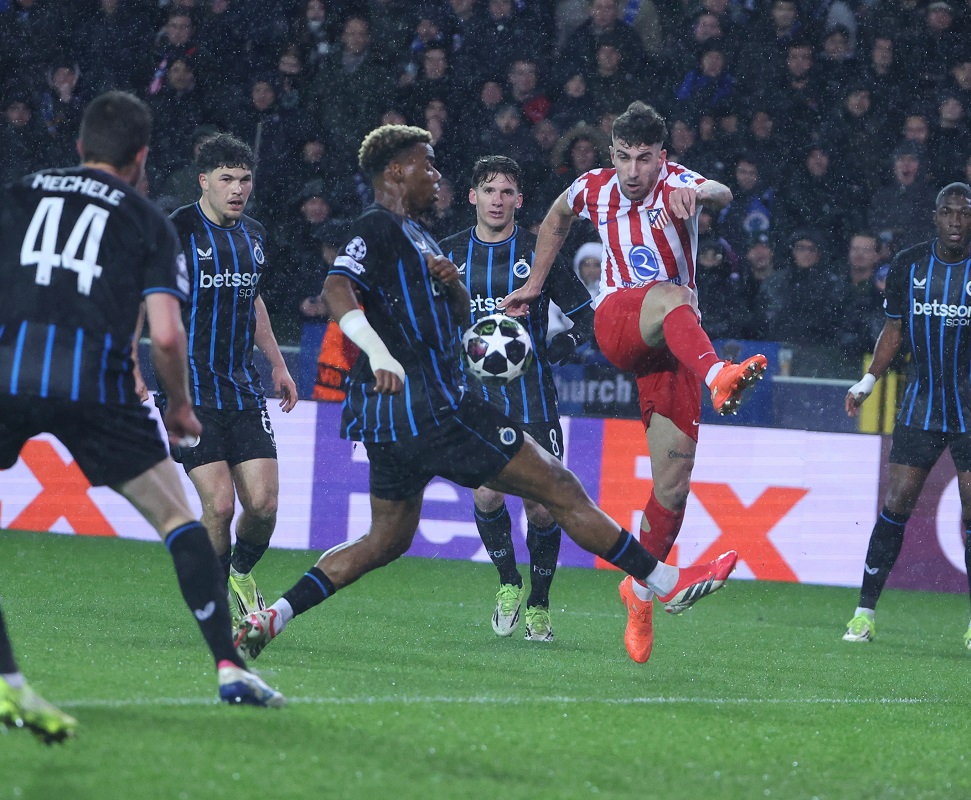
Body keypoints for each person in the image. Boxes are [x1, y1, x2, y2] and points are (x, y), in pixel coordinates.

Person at [233, 124, 737, 662]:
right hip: (431, 402)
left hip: (388, 418)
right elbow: (338, 287)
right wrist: (377, 352)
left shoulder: (420, 239)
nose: (436, 176)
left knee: (386, 541)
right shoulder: (378, 226)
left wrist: (451, 289)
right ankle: (664, 581)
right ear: (396, 171)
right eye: (426, 165)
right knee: (559, 488)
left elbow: (446, 320)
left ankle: (275, 615)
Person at [0, 92, 283, 744]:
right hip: (92, 384)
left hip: (11, 372)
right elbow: (165, 333)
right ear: (141, 158)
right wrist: (178, 404)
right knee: (179, 519)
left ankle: (11, 680)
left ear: (79, 148)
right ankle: (228, 667)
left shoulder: (18, 193)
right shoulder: (149, 220)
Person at [500, 101, 766, 665]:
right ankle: (720, 374)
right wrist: (535, 286)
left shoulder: (677, 182)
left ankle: (640, 590)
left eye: (644, 159)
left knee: (673, 483)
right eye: (623, 157)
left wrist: (698, 195)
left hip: (672, 346)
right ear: (611, 153)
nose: (633, 171)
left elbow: (722, 190)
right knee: (673, 294)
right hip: (620, 322)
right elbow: (553, 217)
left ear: (661, 157)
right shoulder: (593, 187)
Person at [843, 182, 971, 652]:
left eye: (965, 213)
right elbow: (894, 329)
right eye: (948, 212)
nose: (956, 220)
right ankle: (864, 613)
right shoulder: (909, 266)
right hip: (920, 403)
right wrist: (869, 381)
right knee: (896, 503)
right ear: (935, 217)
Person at [438, 155, 596, 643]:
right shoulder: (448, 256)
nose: (498, 200)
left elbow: (585, 313)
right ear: (473, 197)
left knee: (543, 508)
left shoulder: (538, 252)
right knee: (486, 493)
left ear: (519, 200)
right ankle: (508, 583)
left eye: (507, 192)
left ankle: (540, 605)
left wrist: (567, 343)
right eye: (489, 190)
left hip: (534, 400)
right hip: (475, 400)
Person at [150, 133, 298, 629]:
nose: (238, 189)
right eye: (227, 179)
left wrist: (277, 363)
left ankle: (239, 573)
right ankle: (212, 605)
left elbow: (253, 301)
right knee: (219, 503)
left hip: (241, 388)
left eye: (245, 179)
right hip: (188, 392)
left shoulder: (253, 235)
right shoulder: (177, 232)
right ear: (204, 181)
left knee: (263, 505)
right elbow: (143, 301)